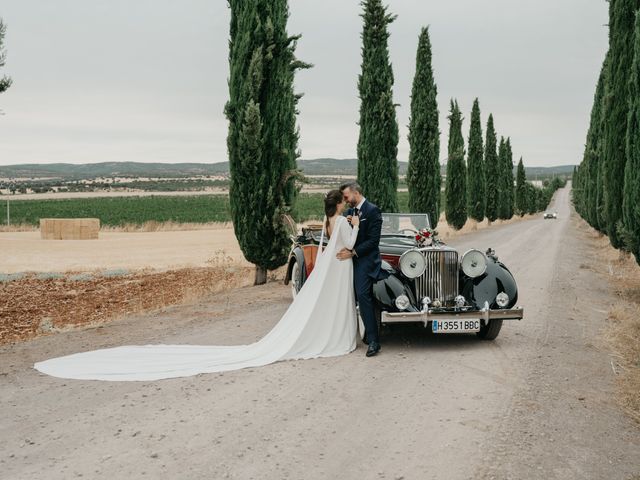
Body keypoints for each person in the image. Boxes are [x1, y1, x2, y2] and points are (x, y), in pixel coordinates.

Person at [34, 190, 361, 381]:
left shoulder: (330, 222)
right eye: (345, 203)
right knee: (333, 306)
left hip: (334, 268)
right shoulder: (343, 222)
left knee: (327, 306)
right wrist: (357, 227)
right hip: (340, 268)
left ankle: (335, 334)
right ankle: (337, 337)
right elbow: (349, 242)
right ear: (338, 205)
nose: (348, 205)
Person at [337, 182, 388, 357]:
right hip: (347, 261)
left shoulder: (373, 210)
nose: (345, 200)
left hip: (365, 261)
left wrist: (354, 252)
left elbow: (374, 241)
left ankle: (374, 340)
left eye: (346, 196)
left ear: (356, 193)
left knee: (362, 295)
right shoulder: (348, 212)